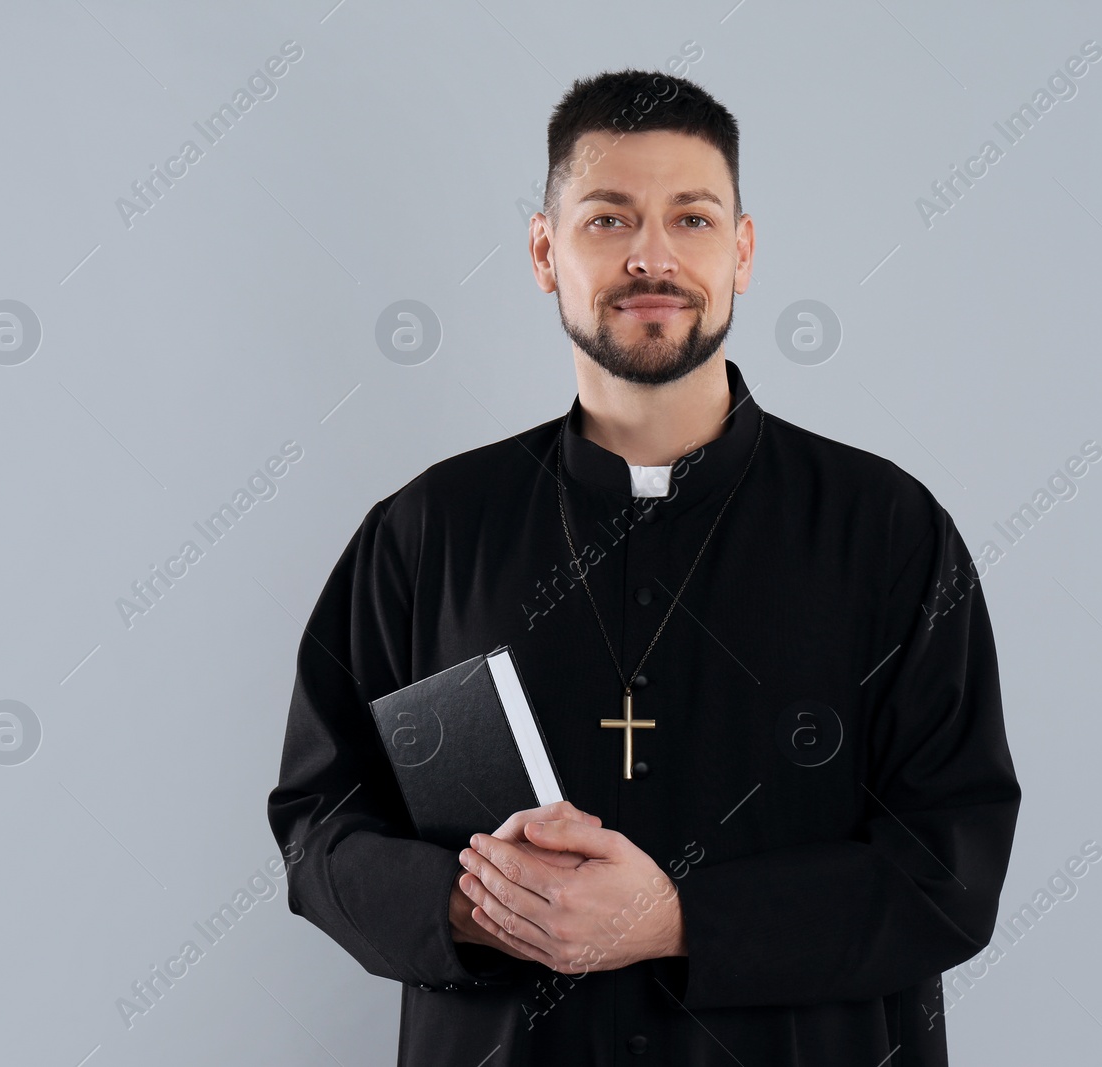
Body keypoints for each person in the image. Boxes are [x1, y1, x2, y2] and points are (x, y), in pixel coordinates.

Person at [268, 67, 1020, 1066]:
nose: (652, 256)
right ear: (545, 250)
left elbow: (949, 866)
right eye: (608, 219)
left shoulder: (886, 530)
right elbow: (320, 826)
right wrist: (471, 903)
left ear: (743, 251)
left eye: (693, 219)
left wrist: (672, 915)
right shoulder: (428, 531)